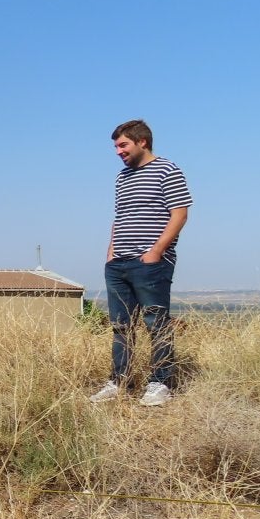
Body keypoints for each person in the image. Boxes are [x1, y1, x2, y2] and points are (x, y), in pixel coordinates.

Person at [90, 119, 193, 407]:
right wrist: (111, 252)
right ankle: (119, 382)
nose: (118, 151)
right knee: (121, 326)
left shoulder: (167, 170)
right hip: (118, 263)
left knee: (156, 324)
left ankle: (160, 383)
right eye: (116, 146)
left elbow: (180, 213)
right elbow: (119, 216)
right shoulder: (121, 178)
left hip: (150, 263)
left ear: (142, 142)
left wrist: (156, 251)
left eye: (122, 145)